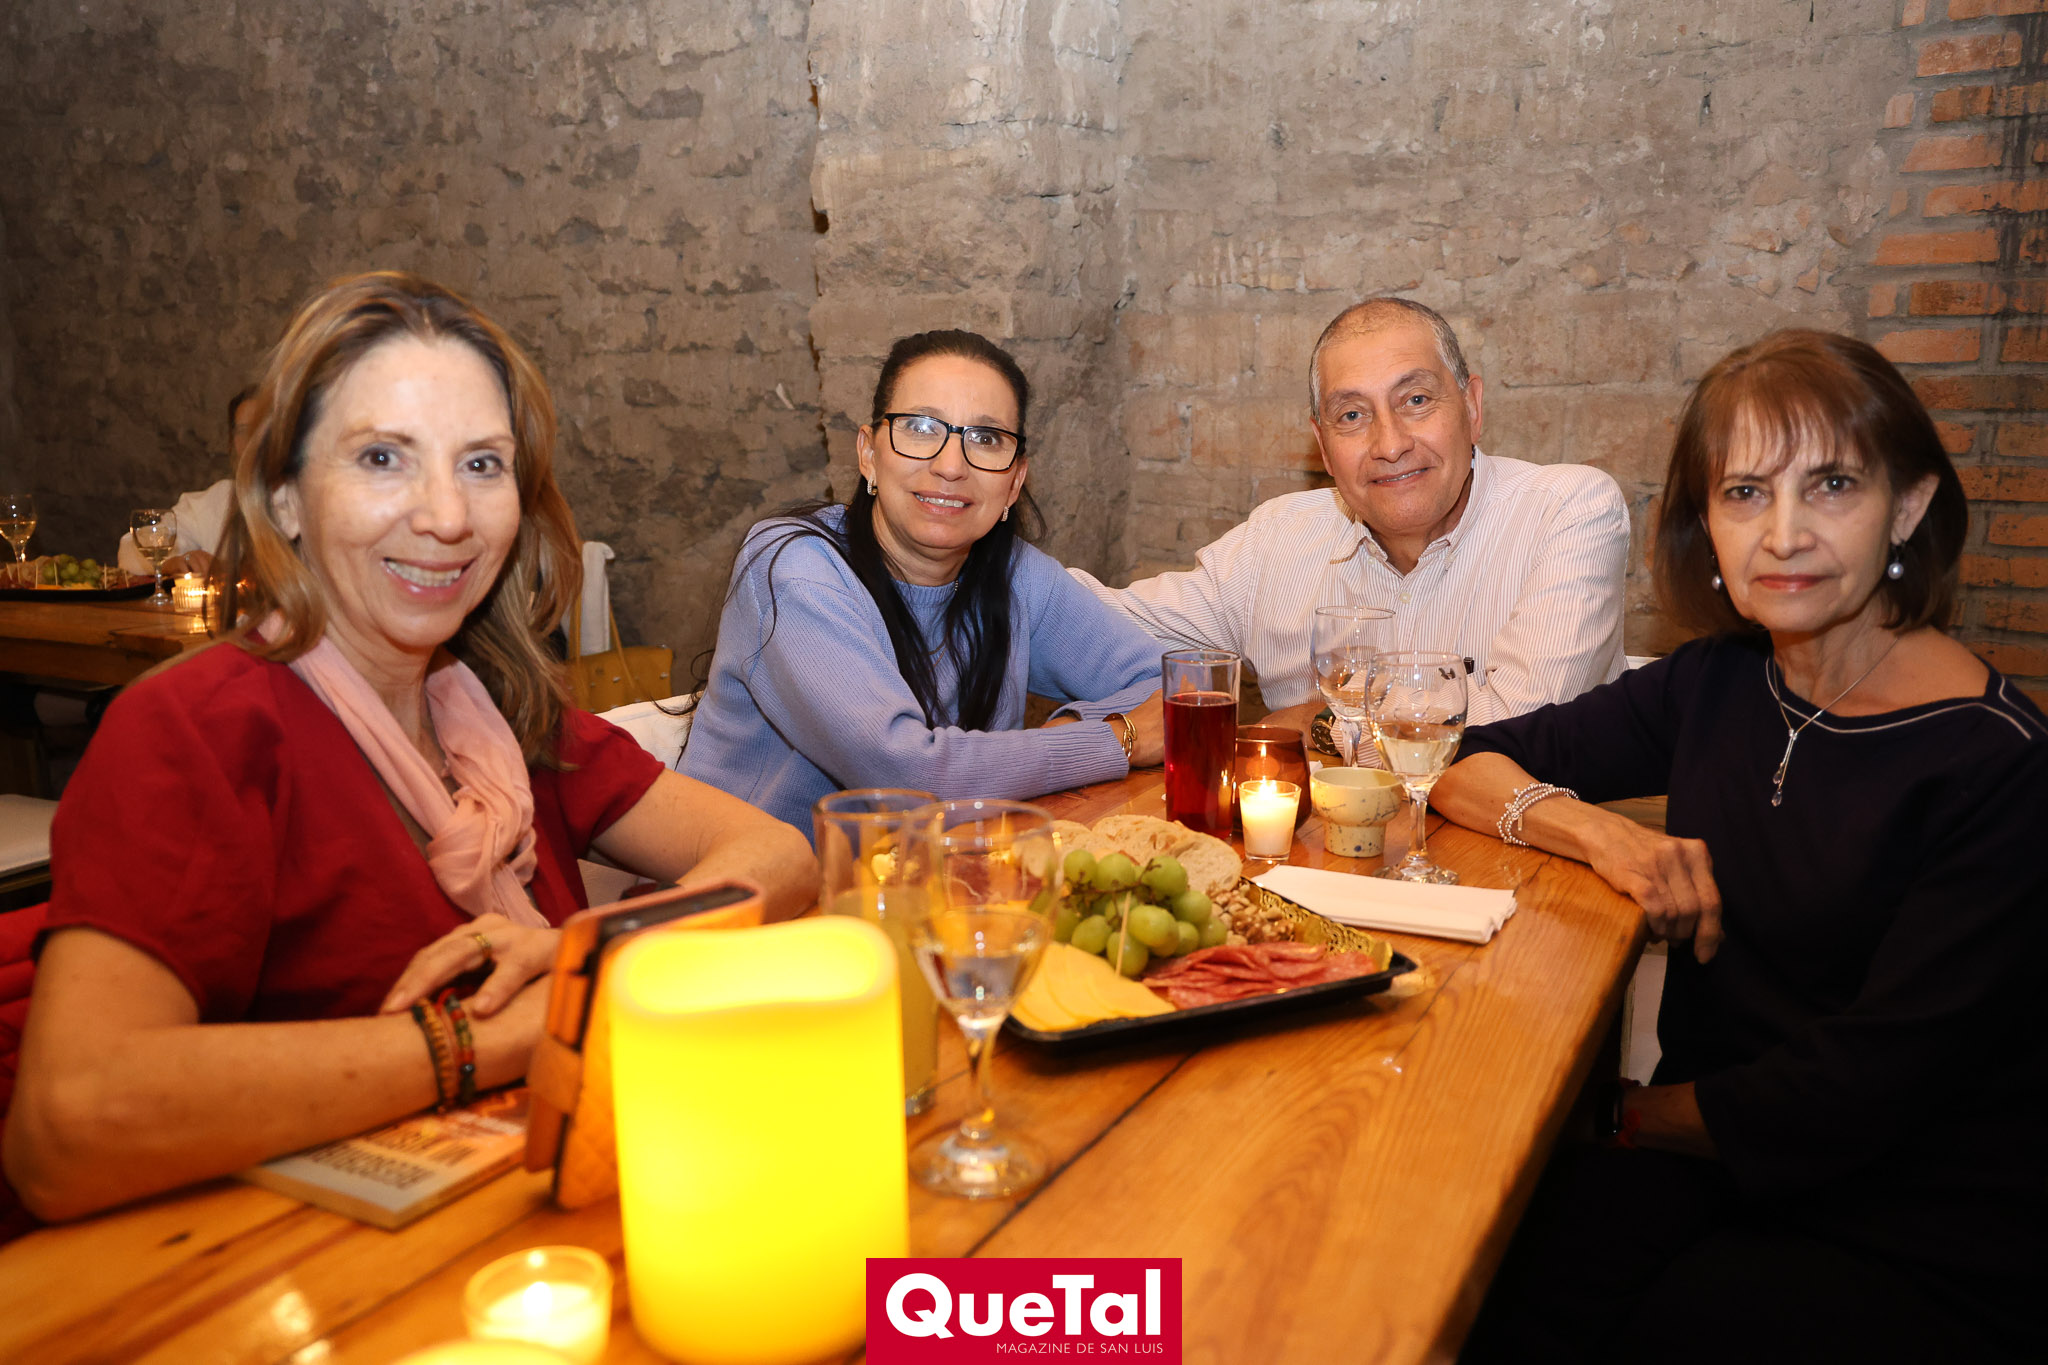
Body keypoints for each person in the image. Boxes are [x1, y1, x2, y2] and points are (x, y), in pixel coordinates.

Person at [1, 272, 815, 1230]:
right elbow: (68, 1122)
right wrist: (491, 1036)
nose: (446, 515)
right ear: (283, 497)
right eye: (383, 457)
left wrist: (588, 960)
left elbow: (778, 856)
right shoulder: (201, 728)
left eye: (482, 464)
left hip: (535, 1221)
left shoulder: (501, 708)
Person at [1433, 331, 2046, 1364]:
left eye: (1832, 485)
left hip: (1914, 1217)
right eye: (1746, 493)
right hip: (1706, 1156)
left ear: (1906, 507)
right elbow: (1463, 759)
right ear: (1705, 524)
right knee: (1465, 1267)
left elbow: (1858, 1092)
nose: (1784, 535)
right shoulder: (1715, 681)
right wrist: (1599, 830)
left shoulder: (1998, 765)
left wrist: (1616, 1120)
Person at [683, 330, 1169, 834]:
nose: (951, 466)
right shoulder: (794, 570)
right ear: (869, 454)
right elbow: (907, 777)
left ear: (1014, 482)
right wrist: (1115, 738)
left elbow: (1178, 685)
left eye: (985, 438)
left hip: (935, 874)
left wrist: (1072, 730)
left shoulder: (1016, 576)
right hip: (755, 881)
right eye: (919, 427)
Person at [1072, 296, 1630, 730]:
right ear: (1322, 446)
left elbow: (1517, 725)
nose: (1390, 444)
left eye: (1416, 401)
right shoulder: (1278, 541)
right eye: (1353, 416)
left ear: (1472, 407)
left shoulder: (1566, 511)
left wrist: (1319, 721)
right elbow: (1092, 629)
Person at [115, 389, 255, 578]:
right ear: (231, 443)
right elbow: (130, 550)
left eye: (263, 427)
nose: (253, 440)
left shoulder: (296, 503)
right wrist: (172, 562)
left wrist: (230, 570)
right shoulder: (219, 500)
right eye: (243, 431)